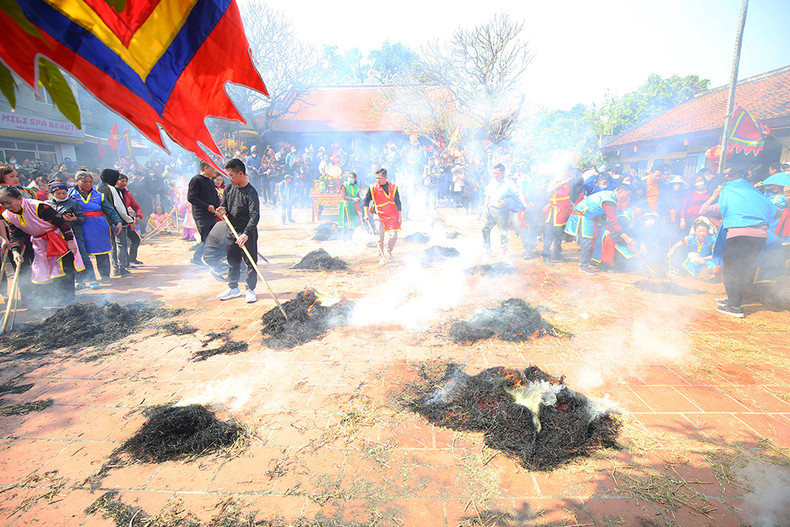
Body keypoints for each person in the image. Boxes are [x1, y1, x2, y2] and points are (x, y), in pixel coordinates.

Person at [700, 166, 778, 318]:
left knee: (732, 269)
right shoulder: (757, 197)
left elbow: (704, 210)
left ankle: (735, 307)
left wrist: (715, 195)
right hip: (760, 236)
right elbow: (777, 213)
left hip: (738, 235)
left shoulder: (729, 198)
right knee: (744, 268)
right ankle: (732, 300)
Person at [0, 185, 84, 306]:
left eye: (8, 202)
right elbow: (15, 235)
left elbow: (62, 222)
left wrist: (70, 241)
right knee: (42, 270)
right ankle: (51, 301)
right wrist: (15, 251)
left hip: (59, 238)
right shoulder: (8, 215)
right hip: (39, 242)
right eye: (3, 204)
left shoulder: (39, 206)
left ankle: (68, 302)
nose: (6, 207)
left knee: (64, 269)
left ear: (19, 198)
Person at [215, 158, 260, 303]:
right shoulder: (228, 189)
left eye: (231, 175)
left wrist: (246, 234)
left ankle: (250, 289)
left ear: (240, 173)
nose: (228, 178)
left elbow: (255, 215)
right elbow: (225, 206)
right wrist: (222, 210)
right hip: (232, 230)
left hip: (248, 232)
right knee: (233, 261)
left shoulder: (251, 193)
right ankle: (233, 288)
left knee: (250, 262)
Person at [565, 185, 637, 274]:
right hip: (583, 216)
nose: (627, 198)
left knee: (591, 240)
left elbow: (596, 207)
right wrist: (627, 238)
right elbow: (613, 221)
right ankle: (584, 266)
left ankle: (588, 262)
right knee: (587, 242)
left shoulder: (610, 194)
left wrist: (599, 220)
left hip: (588, 216)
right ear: (620, 192)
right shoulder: (610, 201)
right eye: (627, 195)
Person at [68, 170, 122, 282]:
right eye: (84, 182)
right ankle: (82, 279)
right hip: (79, 228)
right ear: (77, 181)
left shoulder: (99, 196)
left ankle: (105, 276)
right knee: (80, 254)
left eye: (90, 181)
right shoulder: (70, 195)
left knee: (101, 252)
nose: (88, 184)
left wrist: (118, 221)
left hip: (98, 227)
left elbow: (110, 210)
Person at [47, 180, 99, 289]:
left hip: (75, 234)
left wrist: (75, 219)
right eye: (58, 194)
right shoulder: (47, 205)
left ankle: (92, 279)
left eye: (64, 193)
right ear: (52, 194)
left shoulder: (73, 203)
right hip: (57, 237)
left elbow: (82, 219)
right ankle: (78, 281)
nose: (61, 196)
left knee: (83, 257)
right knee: (66, 260)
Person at [98, 169, 135, 277]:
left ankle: (115, 269)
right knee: (121, 245)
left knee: (113, 246)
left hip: (105, 222)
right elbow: (119, 207)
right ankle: (122, 268)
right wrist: (129, 220)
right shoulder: (111, 189)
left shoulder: (100, 189)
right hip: (117, 222)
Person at [187, 161, 221, 267]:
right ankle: (196, 259)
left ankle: (214, 259)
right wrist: (206, 206)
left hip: (211, 215)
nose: (214, 171)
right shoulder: (196, 180)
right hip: (201, 215)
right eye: (212, 168)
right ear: (206, 168)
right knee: (206, 238)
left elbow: (215, 197)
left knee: (213, 238)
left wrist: (218, 207)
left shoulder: (210, 181)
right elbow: (191, 197)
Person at [363, 168, 401, 263]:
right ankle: (381, 257)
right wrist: (366, 214)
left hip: (391, 215)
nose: (378, 180)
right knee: (380, 238)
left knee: (394, 235)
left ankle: (389, 249)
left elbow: (398, 203)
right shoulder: (373, 188)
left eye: (380, 178)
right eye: (376, 178)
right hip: (378, 214)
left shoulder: (393, 187)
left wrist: (400, 217)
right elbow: (366, 201)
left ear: (385, 177)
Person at [481, 164, 517, 256]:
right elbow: (488, 196)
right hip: (491, 210)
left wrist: (505, 202)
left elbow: (515, 197)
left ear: (503, 172)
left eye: (497, 173)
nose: (495, 175)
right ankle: (487, 248)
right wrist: (485, 209)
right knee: (485, 228)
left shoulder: (509, 183)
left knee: (503, 231)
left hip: (502, 211)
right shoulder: (491, 183)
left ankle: (504, 249)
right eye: (494, 173)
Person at [116, 174, 144, 266]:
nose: (124, 183)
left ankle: (131, 259)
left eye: (125, 181)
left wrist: (138, 215)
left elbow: (136, 206)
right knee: (122, 244)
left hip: (127, 221)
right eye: (122, 181)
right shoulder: (114, 193)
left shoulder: (127, 193)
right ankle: (124, 264)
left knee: (135, 239)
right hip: (118, 222)